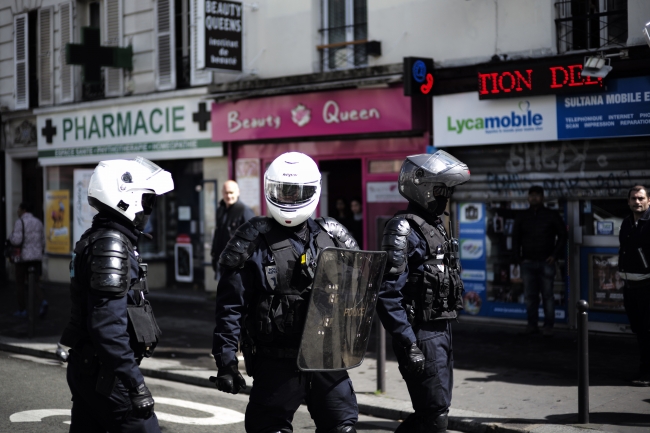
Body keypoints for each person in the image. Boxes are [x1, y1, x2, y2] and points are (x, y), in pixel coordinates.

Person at [212, 152, 360, 433]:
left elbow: (356, 293)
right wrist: (226, 362)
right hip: (276, 361)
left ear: (313, 191)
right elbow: (231, 308)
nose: (290, 199)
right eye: (283, 192)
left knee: (343, 427)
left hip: (326, 359)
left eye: (298, 193)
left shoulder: (331, 235)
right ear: (269, 189)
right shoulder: (252, 242)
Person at [60, 157, 174, 432]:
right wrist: (135, 383)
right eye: (146, 200)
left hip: (91, 367)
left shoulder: (101, 237)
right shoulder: (111, 244)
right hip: (107, 374)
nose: (148, 208)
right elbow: (108, 327)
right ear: (125, 200)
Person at [377, 151, 470, 433]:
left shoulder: (435, 226)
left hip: (441, 330)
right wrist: (408, 343)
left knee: (434, 409)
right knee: (434, 413)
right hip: (420, 334)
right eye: (442, 191)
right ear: (424, 187)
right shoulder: (403, 228)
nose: (446, 198)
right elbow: (387, 294)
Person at [512, 185, 567, 337]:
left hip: (546, 262)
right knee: (530, 296)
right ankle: (532, 325)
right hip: (527, 263)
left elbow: (563, 235)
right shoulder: (522, 216)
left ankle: (548, 326)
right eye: (532, 195)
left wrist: (555, 255)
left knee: (548, 296)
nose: (534, 197)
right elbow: (515, 238)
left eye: (537, 195)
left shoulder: (551, 214)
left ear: (542, 197)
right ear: (528, 197)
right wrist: (519, 259)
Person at [618, 185, 650, 387]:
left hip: (647, 285)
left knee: (648, 331)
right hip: (630, 285)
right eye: (633, 198)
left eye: (640, 198)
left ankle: (647, 374)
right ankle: (643, 370)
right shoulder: (627, 222)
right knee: (639, 330)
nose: (636, 202)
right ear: (628, 201)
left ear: (648, 201)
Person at [210, 180, 255, 280]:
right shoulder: (220, 210)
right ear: (222, 193)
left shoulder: (244, 210)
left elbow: (253, 240)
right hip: (221, 263)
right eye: (226, 193)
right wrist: (214, 255)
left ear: (238, 192)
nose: (229, 196)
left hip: (237, 266)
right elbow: (217, 234)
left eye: (231, 192)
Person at [9, 202, 47, 318]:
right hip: (36, 257)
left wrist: (11, 237)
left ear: (23, 210)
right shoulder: (38, 222)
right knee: (34, 281)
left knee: (20, 283)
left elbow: (16, 240)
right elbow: (43, 241)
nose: (17, 211)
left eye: (19, 209)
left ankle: (22, 310)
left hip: (23, 257)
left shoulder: (20, 222)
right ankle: (42, 301)